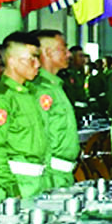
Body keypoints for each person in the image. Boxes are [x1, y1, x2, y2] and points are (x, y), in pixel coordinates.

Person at [0, 32, 50, 203]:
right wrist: (11, 188)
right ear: (12, 61)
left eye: (38, 58)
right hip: (12, 188)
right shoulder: (0, 99)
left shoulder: (30, 95)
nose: (38, 64)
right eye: (32, 58)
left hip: (36, 184)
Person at [33, 29, 81, 188]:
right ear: (47, 52)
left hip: (63, 174)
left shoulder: (56, 86)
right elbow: (40, 140)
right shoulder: (40, 89)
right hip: (51, 176)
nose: (68, 54)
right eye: (63, 49)